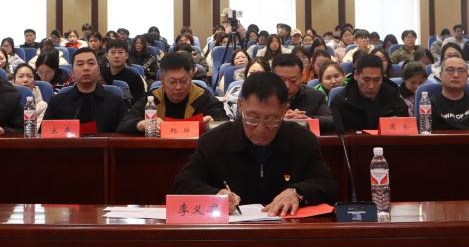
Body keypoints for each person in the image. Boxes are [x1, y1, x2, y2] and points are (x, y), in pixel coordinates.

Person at [171, 72, 338, 215]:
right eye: (252, 118)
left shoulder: (302, 140)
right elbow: (182, 184)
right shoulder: (214, 141)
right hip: (231, 234)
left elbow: (328, 185)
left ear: (284, 110)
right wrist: (215, 195)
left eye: (271, 119)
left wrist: (298, 192)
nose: (260, 129)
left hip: (287, 232)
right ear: (241, 105)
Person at [118, 53, 228, 135]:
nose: (178, 87)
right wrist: (140, 124)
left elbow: (225, 124)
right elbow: (123, 124)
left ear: (191, 77)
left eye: (183, 81)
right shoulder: (152, 98)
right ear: (162, 80)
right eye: (172, 82)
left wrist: (213, 125)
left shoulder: (204, 97)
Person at [43, 48, 125, 133]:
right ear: (72, 72)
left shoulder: (115, 102)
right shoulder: (57, 102)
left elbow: (123, 135)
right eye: (80, 64)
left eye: (91, 63)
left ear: (98, 70)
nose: (86, 68)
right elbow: (45, 134)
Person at [330, 53, 409, 132]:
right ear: (356, 75)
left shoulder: (395, 100)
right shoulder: (341, 103)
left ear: (382, 77)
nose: (371, 86)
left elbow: (407, 132)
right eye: (366, 80)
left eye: (376, 80)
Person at [269, 53, 335, 133]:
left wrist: (306, 120)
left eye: (293, 80)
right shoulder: (263, 96)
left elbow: (331, 120)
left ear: (301, 76)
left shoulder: (315, 96)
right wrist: (280, 119)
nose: (287, 86)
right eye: (281, 80)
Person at [430, 54, 469, 131]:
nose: (456, 75)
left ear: (467, 76)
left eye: (461, 71)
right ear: (440, 75)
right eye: (450, 70)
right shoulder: (429, 105)